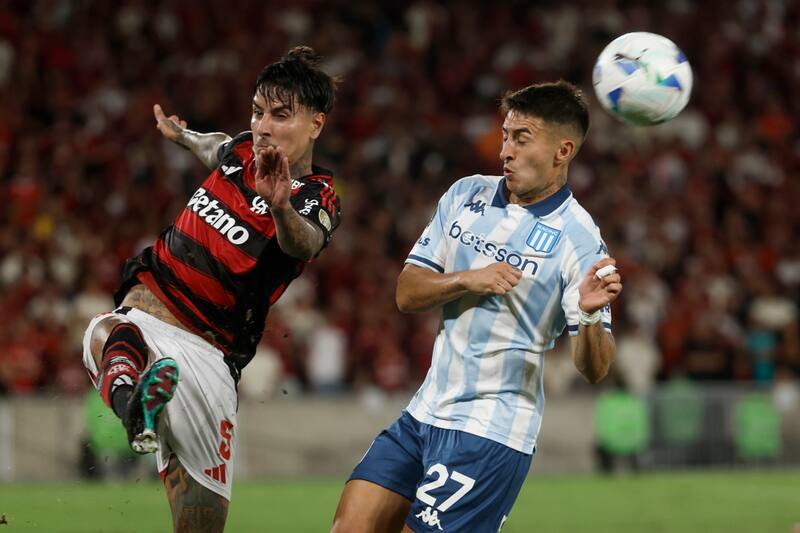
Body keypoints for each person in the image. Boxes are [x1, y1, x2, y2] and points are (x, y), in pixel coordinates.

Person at [332, 81, 622, 533]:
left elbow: (596, 368)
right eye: (505, 134)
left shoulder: (581, 240)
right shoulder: (467, 194)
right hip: (424, 413)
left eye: (521, 138)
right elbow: (407, 293)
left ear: (562, 150)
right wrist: (468, 278)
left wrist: (586, 315)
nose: (504, 150)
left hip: (490, 433)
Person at [81, 46, 341, 532]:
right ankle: (134, 407)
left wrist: (280, 206)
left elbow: (304, 244)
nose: (263, 125)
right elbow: (218, 145)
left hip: (210, 359)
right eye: (258, 111)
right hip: (146, 322)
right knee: (104, 328)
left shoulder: (315, 196)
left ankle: (141, 398)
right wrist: (182, 136)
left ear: (316, 125)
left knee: (199, 526)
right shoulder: (243, 149)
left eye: (281, 116)